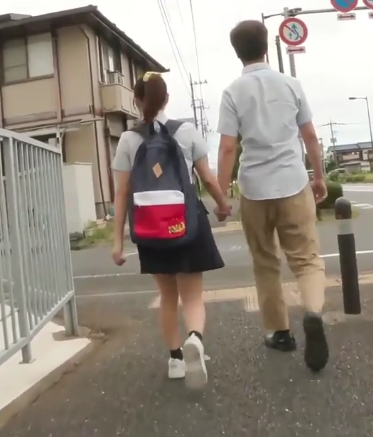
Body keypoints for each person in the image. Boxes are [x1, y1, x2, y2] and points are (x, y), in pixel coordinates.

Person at [216, 20, 330, 372]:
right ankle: (313, 312)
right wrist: (319, 176)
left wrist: (221, 196)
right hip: (293, 182)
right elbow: (309, 136)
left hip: (254, 189)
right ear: (267, 47)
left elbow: (227, 147)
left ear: (237, 53)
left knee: (265, 262)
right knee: (306, 259)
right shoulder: (291, 84)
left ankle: (280, 333)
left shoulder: (232, 92)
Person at [110, 71, 232, 389]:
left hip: (150, 226)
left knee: (167, 296)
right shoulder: (186, 131)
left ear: (136, 101)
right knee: (192, 296)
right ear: (166, 99)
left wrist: (118, 242)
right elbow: (207, 178)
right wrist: (223, 205)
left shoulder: (128, 140)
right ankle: (195, 339)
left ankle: (176, 359)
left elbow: (121, 193)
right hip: (188, 222)